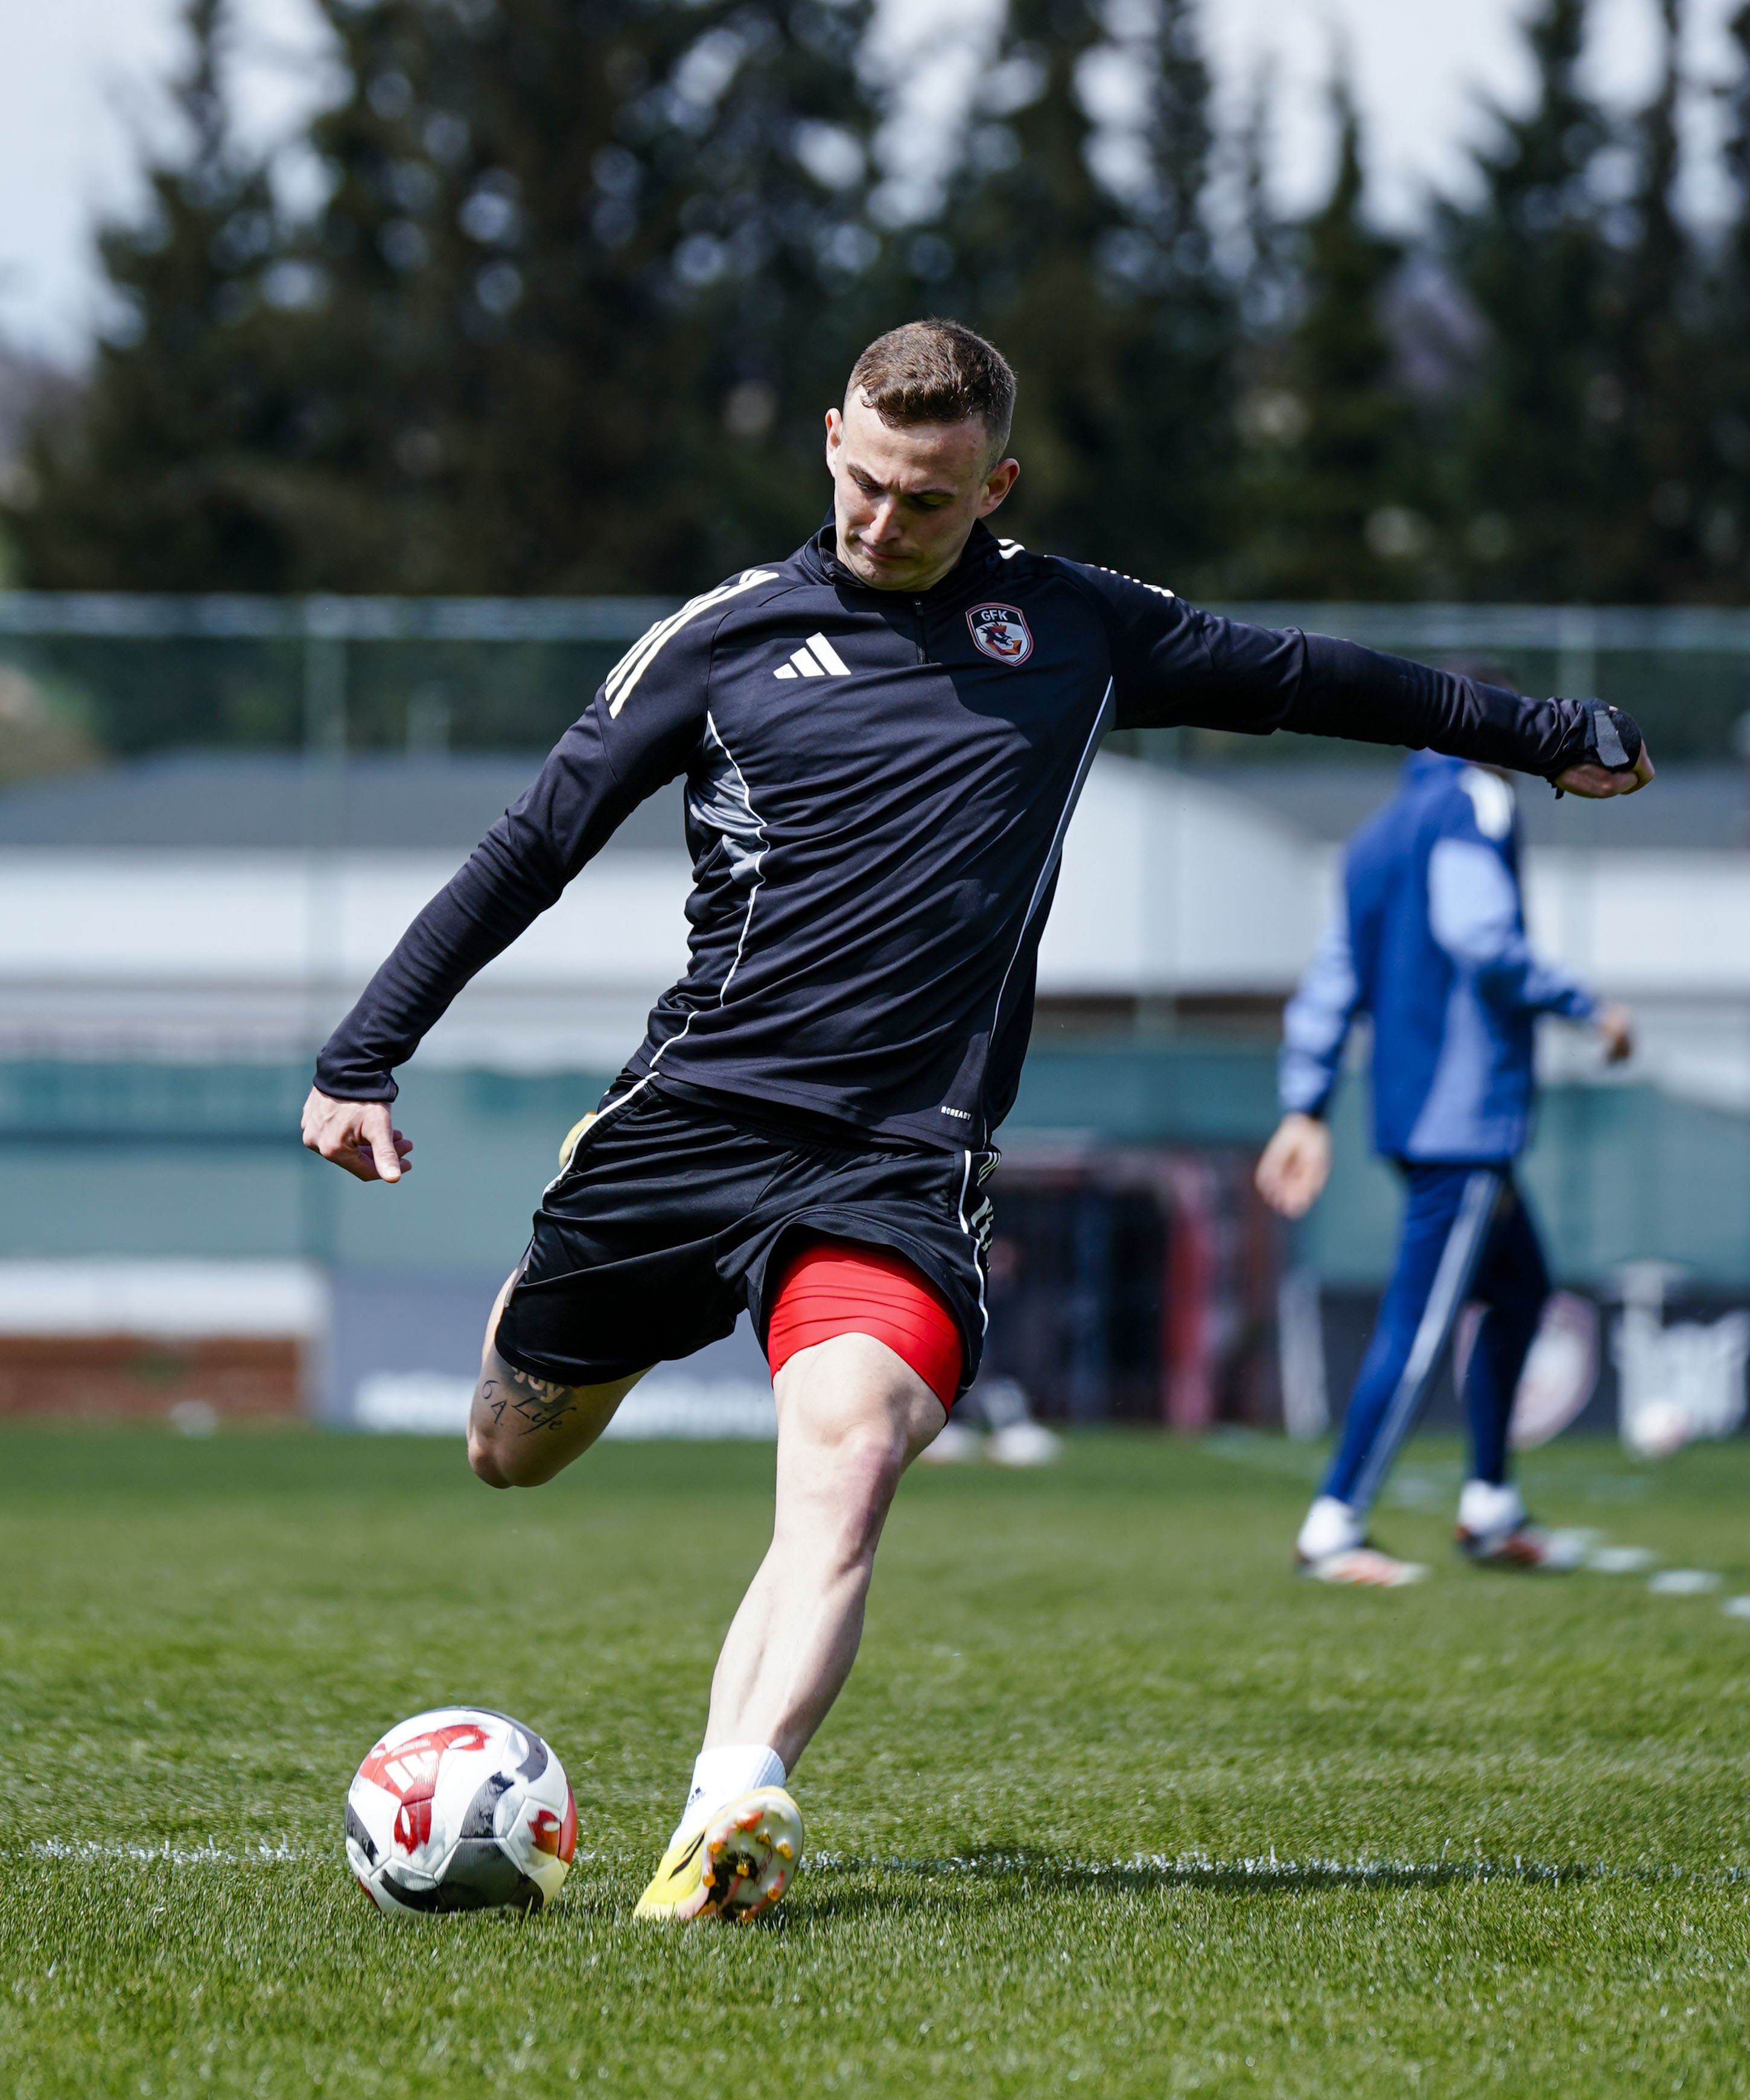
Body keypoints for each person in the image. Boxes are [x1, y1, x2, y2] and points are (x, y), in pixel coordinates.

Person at [302, 321, 1652, 1921]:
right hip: (690, 1127)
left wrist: (1543, 735)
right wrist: (364, 1053)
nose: (885, 522)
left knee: (850, 1450)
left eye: (929, 500)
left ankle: (731, 1806)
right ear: (829, 441)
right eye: (867, 484)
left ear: (994, 485)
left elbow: (1301, 677)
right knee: (508, 1451)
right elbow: (534, 841)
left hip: (899, 1157)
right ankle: (563, 1307)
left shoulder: (1074, 627)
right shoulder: (722, 641)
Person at [1256, 708, 1637, 1587]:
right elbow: (1482, 939)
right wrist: (1588, 1008)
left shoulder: (1376, 836)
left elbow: (1333, 979)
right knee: (1421, 1326)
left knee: (1521, 1288)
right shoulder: (1475, 799)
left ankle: (1491, 1506)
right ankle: (1334, 1524)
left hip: (1413, 1116)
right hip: (1461, 1125)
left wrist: (1306, 1103)